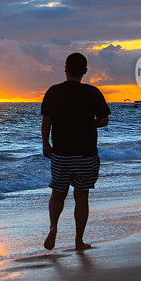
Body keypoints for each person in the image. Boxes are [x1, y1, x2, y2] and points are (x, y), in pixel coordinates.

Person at [41, 52, 110, 251]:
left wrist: (46, 145)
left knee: (57, 193)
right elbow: (104, 120)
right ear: (85, 71)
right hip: (86, 154)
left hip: (61, 153)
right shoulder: (93, 92)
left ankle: (53, 227)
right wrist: (88, 125)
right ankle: (78, 241)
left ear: (65, 69)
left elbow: (46, 123)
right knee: (81, 196)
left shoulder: (53, 92)